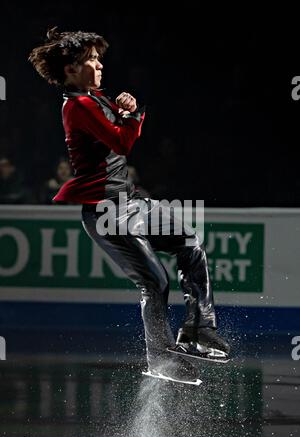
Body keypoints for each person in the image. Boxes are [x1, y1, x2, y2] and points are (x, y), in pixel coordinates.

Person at [29, 27, 230, 385]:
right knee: (155, 282)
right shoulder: (78, 106)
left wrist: (126, 110)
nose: (99, 64)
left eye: (98, 57)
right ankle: (161, 359)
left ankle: (199, 330)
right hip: (107, 212)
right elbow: (121, 143)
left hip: (133, 202)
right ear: (71, 70)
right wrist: (132, 116)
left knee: (190, 243)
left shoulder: (98, 100)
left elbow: (118, 135)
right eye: (90, 59)